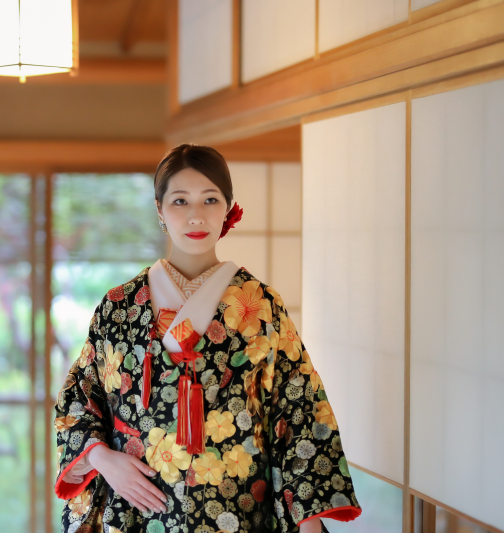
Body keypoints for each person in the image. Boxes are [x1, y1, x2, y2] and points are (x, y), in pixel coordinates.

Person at [54, 145, 362, 533]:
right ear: (160, 210)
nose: (196, 215)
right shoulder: (119, 307)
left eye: (210, 199)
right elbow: (79, 398)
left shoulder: (261, 305)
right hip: (136, 506)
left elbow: (299, 408)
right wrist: (102, 459)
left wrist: (309, 522)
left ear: (228, 208)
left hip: (239, 507)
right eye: (180, 200)